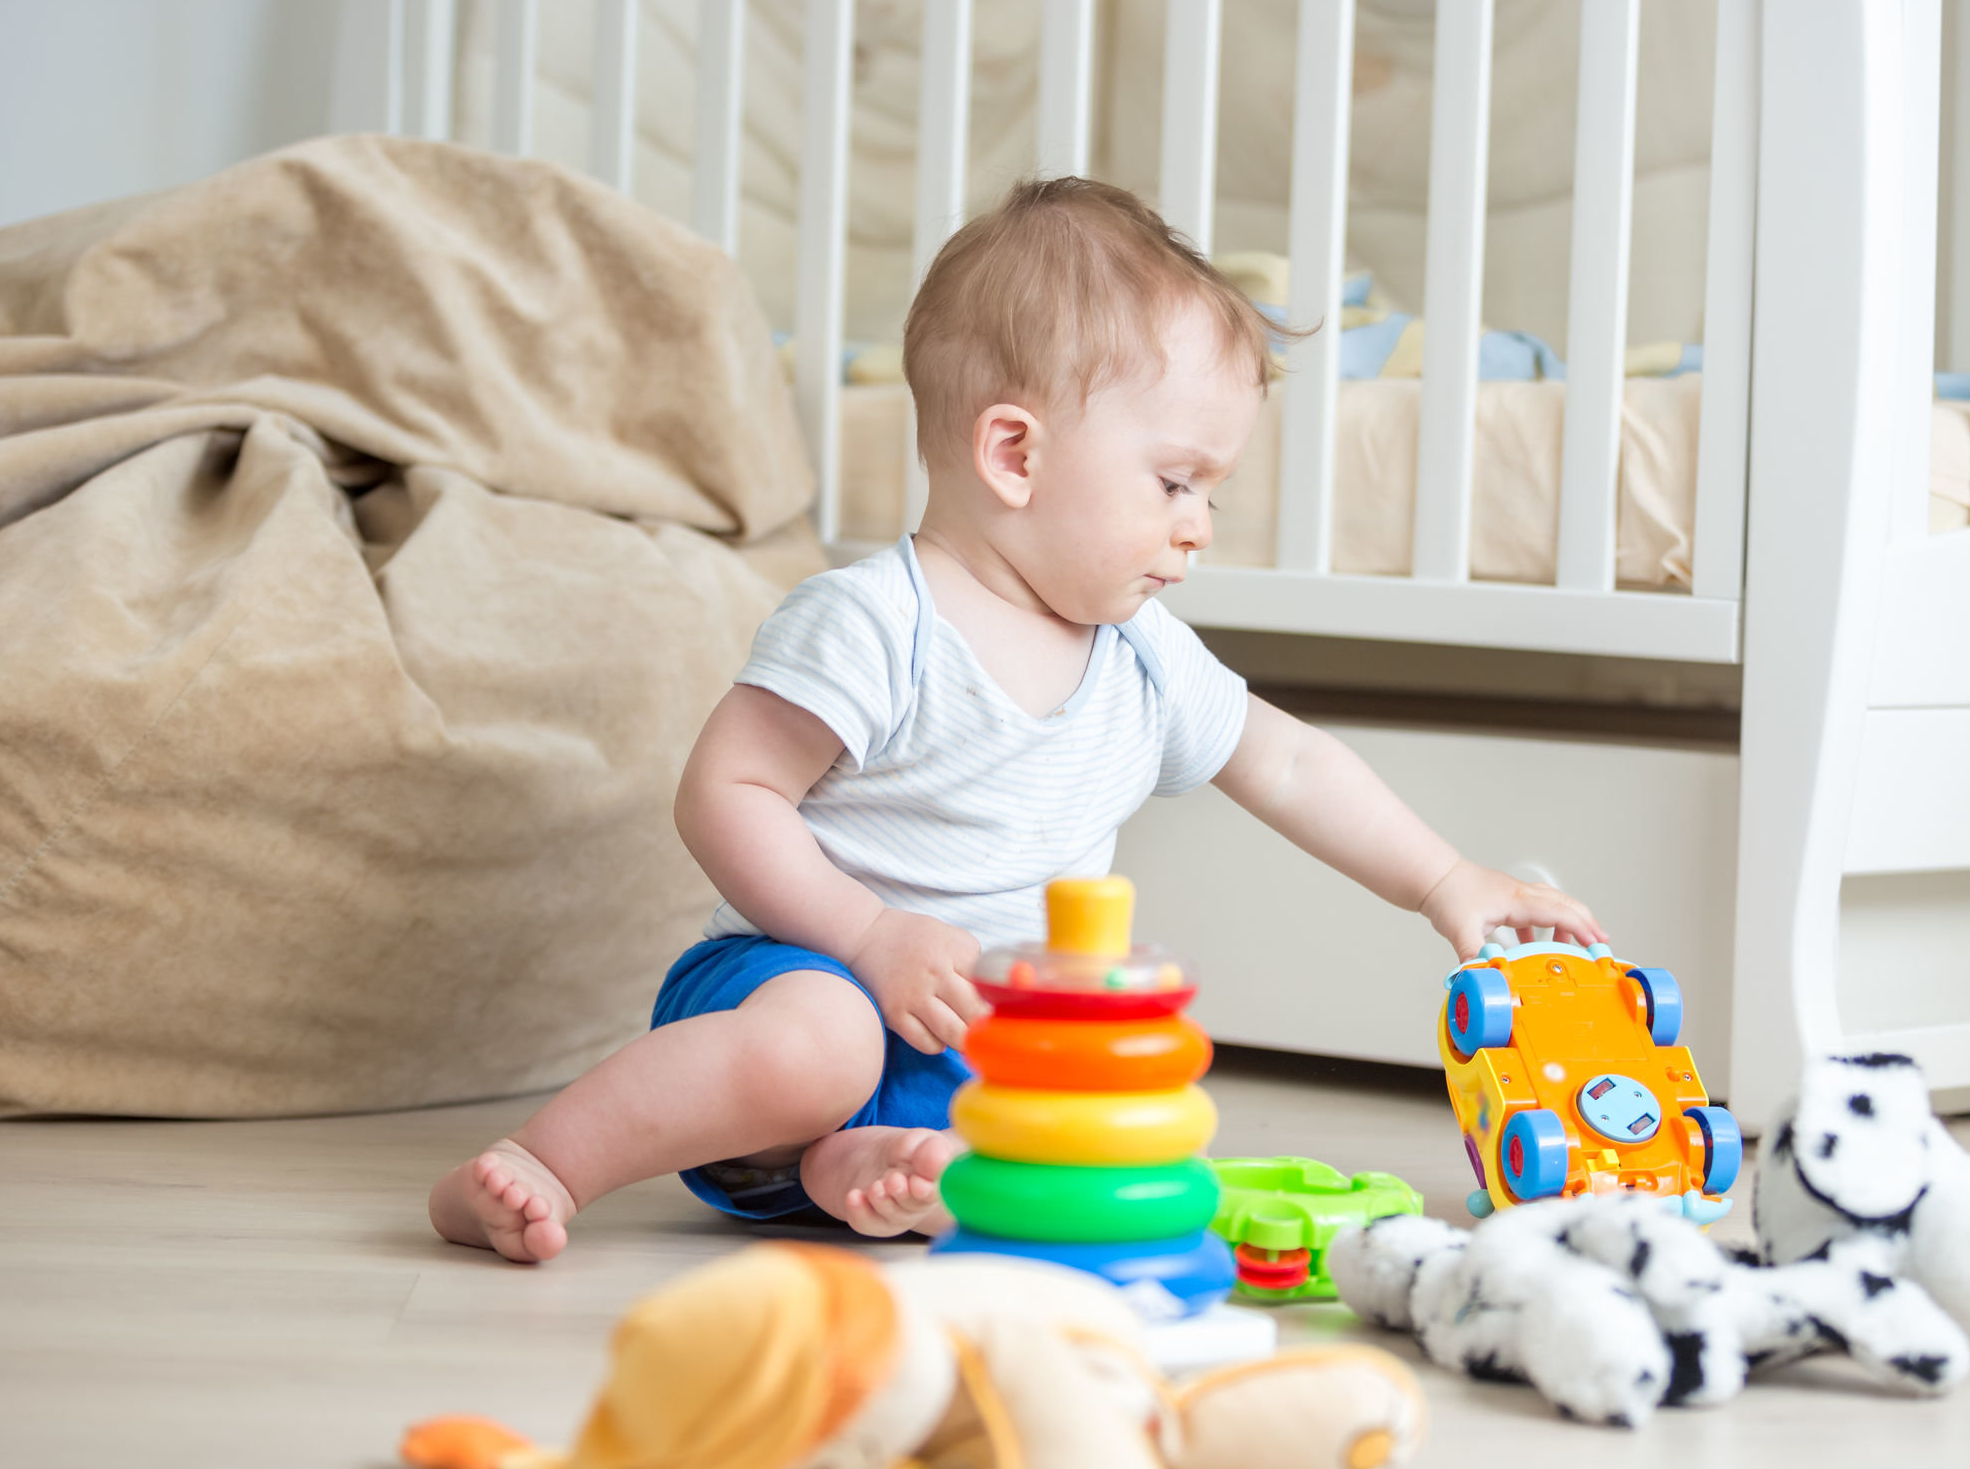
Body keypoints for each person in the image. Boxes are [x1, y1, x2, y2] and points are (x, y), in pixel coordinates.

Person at [429, 178, 1603, 1262]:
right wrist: (868, 935)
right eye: (1175, 481)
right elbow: (724, 793)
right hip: (791, 983)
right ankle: (544, 1163)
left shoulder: (1143, 656)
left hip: (969, 1039)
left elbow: (1289, 762)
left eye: (1211, 491)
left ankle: (863, 1169)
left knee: (1098, 1115)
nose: (1199, 524)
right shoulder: (875, 621)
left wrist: (1446, 880)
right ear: (1014, 453)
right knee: (825, 1042)